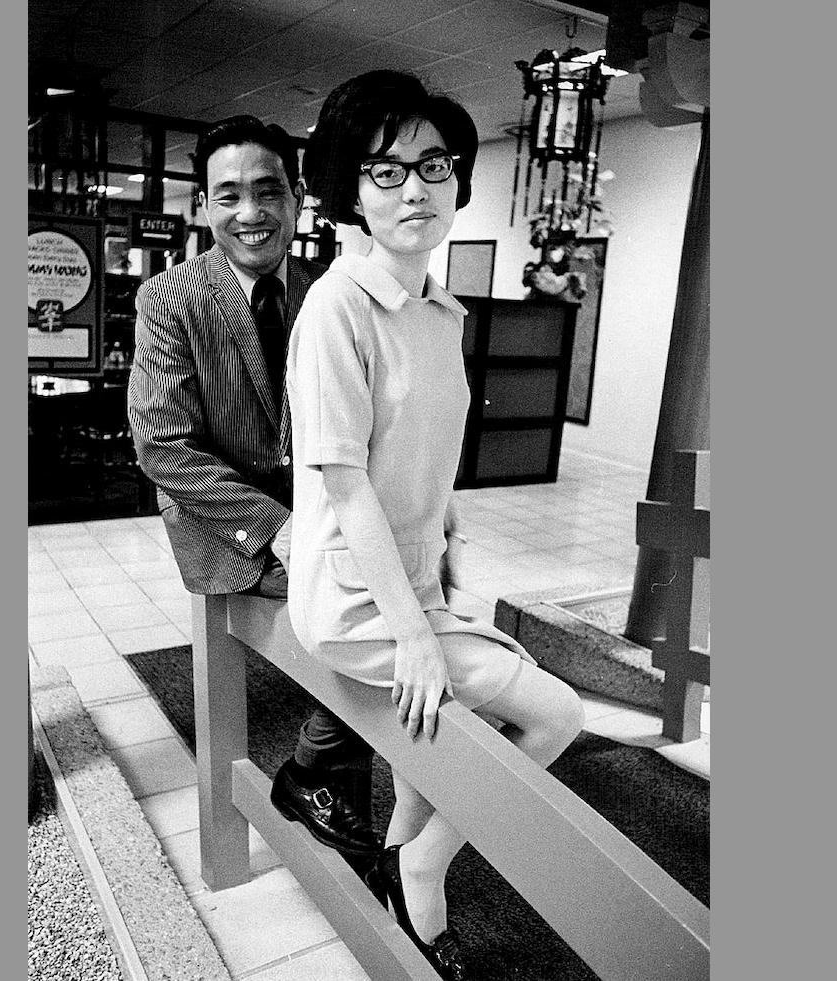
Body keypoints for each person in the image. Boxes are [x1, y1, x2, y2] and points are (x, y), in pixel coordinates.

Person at [289, 72, 586, 980]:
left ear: (457, 178)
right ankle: (421, 865)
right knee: (557, 714)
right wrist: (415, 633)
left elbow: (422, 448)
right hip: (356, 596)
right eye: (384, 171)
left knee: (439, 721)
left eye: (433, 165)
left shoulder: (439, 311)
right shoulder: (337, 306)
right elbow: (344, 483)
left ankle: (401, 865)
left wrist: (447, 537)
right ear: (351, 192)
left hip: (414, 579)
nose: (414, 189)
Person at [127, 115, 378, 862]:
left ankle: (328, 776)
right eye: (229, 195)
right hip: (225, 520)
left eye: (268, 191)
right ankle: (324, 777)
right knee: (372, 612)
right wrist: (278, 526)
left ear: (296, 199)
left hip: (320, 508)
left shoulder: (329, 290)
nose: (250, 212)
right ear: (203, 205)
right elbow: (162, 445)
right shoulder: (169, 299)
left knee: (404, 588)